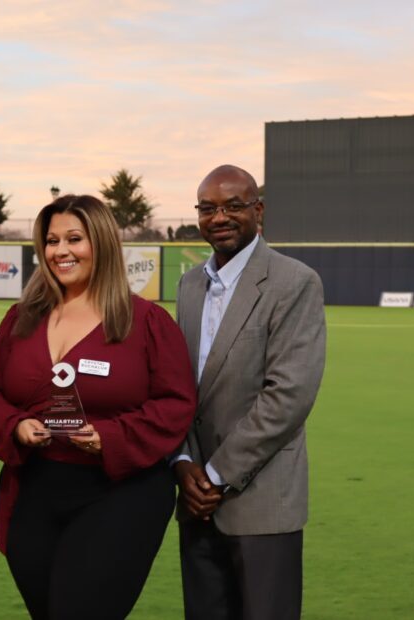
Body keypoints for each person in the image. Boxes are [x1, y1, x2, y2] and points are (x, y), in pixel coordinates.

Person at [0, 194, 197, 620]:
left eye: (74, 238)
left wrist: (109, 438)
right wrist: (16, 425)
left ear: (102, 243)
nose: (61, 251)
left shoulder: (146, 322)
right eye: (52, 240)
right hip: (34, 491)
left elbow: (176, 403)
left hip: (119, 494)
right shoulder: (21, 319)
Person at [174, 164, 326, 620]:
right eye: (207, 208)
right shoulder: (189, 285)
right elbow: (176, 389)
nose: (219, 217)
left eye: (233, 206)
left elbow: (288, 397)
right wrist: (182, 463)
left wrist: (216, 475)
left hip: (261, 502)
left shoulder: (294, 281)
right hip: (195, 501)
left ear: (258, 210)